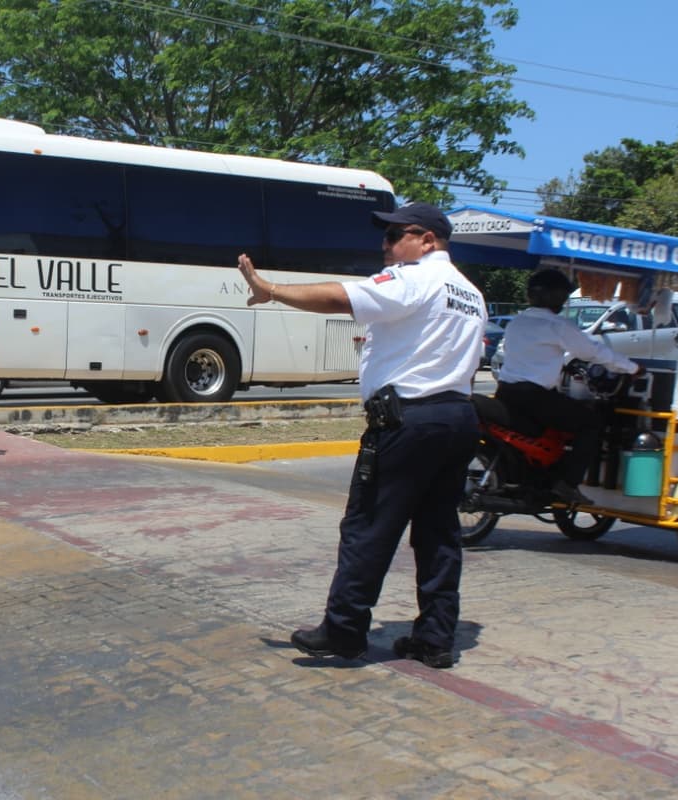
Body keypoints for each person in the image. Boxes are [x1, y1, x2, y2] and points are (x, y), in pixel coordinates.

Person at [237, 202, 485, 670]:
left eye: (396, 236)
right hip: (457, 418)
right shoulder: (469, 292)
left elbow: (337, 297)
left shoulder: (414, 278)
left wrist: (270, 289)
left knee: (368, 527)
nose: (386, 246)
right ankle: (435, 638)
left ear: (427, 240)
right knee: (438, 534)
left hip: (409, 423)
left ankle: (345, 630)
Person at [494, 269, 642, 504]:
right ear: (553, 296)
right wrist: (633, 368)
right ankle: (568, 484)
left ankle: (537, 479)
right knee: (590, 423)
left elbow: (534, 356)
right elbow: (592, 351)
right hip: (534, 398)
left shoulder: (517, 322)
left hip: (506, 392)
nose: (563, 301)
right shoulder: (557, 325)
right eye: (562, 295)